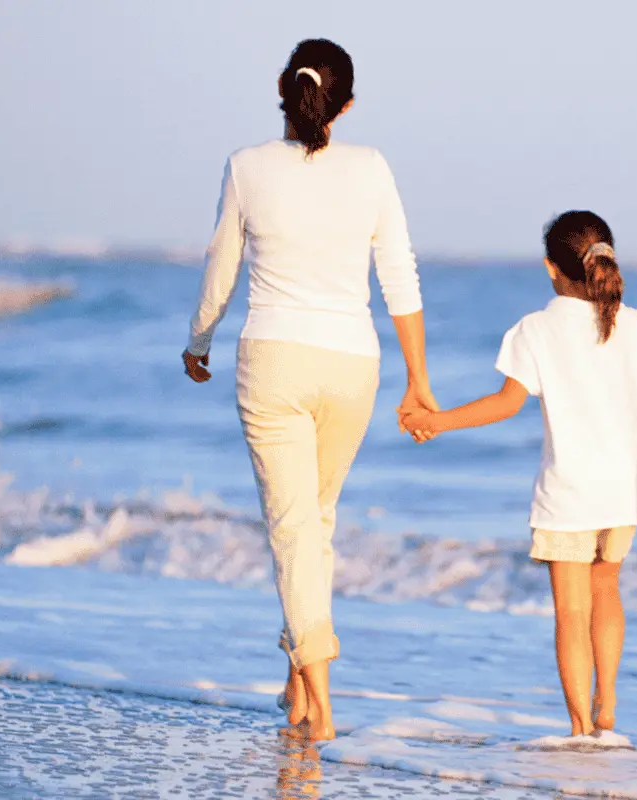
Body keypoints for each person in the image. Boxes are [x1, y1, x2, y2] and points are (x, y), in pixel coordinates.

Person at [180, 38, 436, 742]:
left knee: (295, 529)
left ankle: (320, 702)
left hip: (275, 363)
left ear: (283, 91)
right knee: (312, 522)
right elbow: (400, 277)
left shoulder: (246, 167)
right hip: (353, 365)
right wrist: (418, 380)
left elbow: (219, 267)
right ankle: (298, 680)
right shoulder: (372, 168)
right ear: (345, 104)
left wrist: (198, 342)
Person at [401, 211, 637, 737]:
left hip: (569, 494)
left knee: (570, 612)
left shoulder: (536, 330)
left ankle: (582, 727)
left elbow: (505, 404)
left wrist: (438, 421)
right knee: (607, 590)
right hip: (625, 493)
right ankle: (607, 704)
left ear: (551, 268)